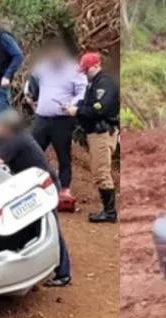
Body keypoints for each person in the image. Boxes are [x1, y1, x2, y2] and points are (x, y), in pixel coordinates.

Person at [0, 109, 72, 287]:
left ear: (6, 127)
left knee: (51, 227)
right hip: (36, 186)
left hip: (44, 186)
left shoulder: (14, 140)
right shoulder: (14, 136)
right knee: (34, 226)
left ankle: (63, 273)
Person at [30, 39, 87, 210]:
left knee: (64, 156)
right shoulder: (43, 67)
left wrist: (73, 104)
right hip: (41, 118)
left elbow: (83, 90)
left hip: (62, 120)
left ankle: (64, 191)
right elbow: (32, 81)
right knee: (32, 152)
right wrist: (32, 96)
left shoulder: (74, 70)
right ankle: (32, 186)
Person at [64, 52, 120, 223]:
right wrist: (76, 108)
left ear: (96, 66)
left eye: (87, 69)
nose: (85, 73)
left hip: (102, 133)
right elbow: (90, 105)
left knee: (101, 172)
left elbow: (98, 109)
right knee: (98, 171)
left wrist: (77, 111)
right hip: (95, 132)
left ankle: (110, 212)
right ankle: (108, 210)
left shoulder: (105, 84)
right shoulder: (95, 84)